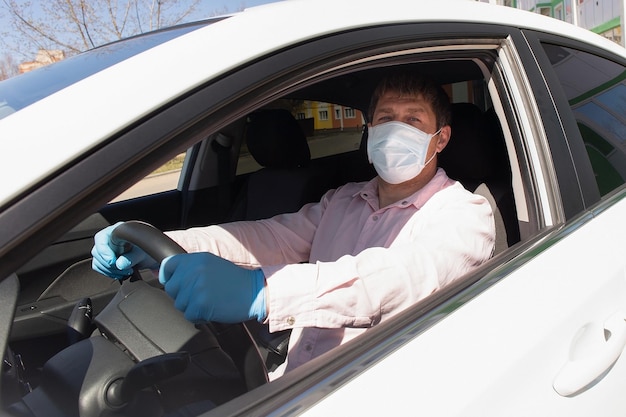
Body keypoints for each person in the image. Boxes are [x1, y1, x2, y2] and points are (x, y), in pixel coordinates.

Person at [92, 71, 495, 379]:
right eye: (386, 118)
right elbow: (267, 237)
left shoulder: (464, 214)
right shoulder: (344, 199)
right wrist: (160, 241)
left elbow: (395, 279)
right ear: (370, 130)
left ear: (440, 139)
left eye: (413, 120)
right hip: (296, 375)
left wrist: (264, 291)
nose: (396, 130)